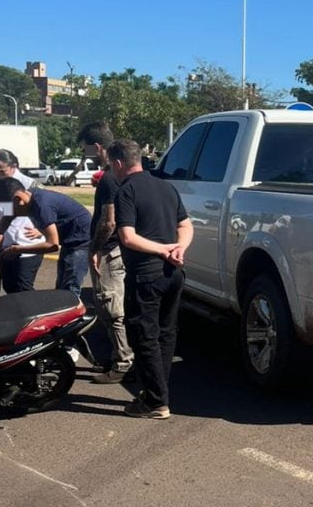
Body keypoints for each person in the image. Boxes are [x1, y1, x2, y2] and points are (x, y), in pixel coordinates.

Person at [111, 139, 192, 420]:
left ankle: (156, 401)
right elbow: (185, 225)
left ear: (119, 163)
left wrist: (162, 249)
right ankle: (157, 391)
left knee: (143, 336)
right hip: (174, 274)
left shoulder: (126, 192)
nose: (112, 170)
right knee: (166, 333)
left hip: (147, 275)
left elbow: (127, 237)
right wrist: (178, 248)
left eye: (112, 165)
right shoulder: (166, 187)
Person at [78, 123, 133, 384]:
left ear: (97, 147)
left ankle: (123, 362)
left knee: (112, 309)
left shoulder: (110, 178)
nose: (86, 154)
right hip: (117, 249)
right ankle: (117, 357)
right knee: (108, 306)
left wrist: (94, 250)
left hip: (110, 251)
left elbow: (108, 222)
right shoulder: (115, 175)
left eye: (87, 149)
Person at [0, 178, 92, 296]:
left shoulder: (43, 205)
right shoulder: (27, 196)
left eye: (11, 208)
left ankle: (74, 312)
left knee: (70, 287)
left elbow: (52, 245)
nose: (12, 212)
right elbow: (8, 216)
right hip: (68, 240)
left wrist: (17, 249)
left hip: (81, 242)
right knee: (61, 287)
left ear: (19, 200)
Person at [0, 150, 43, 294]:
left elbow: (47, 208)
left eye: (2, 171)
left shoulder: (29, 184)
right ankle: (16, 315)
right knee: (9, 287)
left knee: (24, 287)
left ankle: (33, 314)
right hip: (5, 244)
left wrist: (40, 229)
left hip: (28, 244)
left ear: (13, 166)